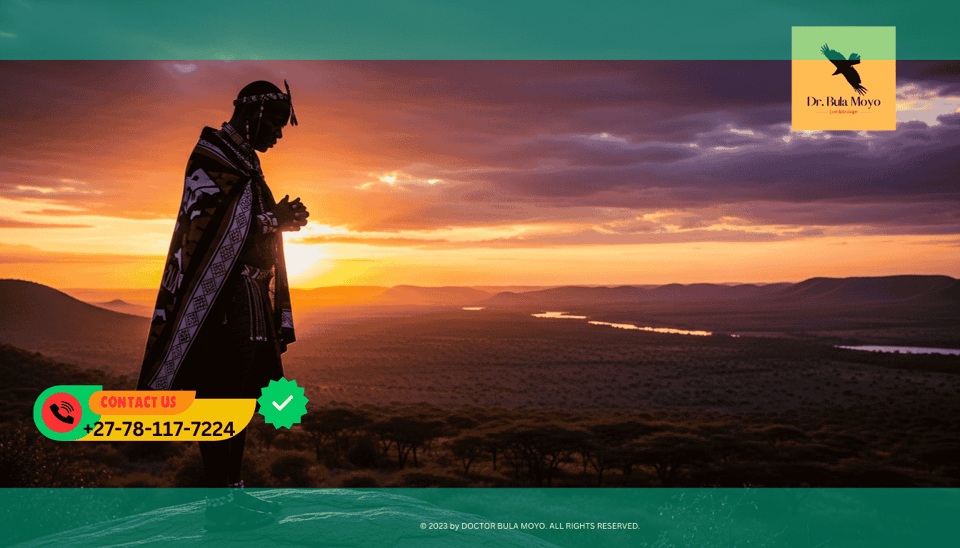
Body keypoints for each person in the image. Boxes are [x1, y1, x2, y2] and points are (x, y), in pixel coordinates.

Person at [137, 80, 309, 530]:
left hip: (248, 297)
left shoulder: (245, 162)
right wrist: (274, 219)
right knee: (220, 399)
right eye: (275, 123)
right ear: (253, 115)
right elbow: (209, 231)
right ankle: (220, 507)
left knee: (242, 399)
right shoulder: (212, 157)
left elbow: (245, 225)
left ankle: (233, 494)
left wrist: (279, 220)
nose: (279, 134)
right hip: (217, 302)